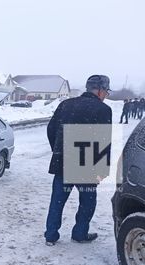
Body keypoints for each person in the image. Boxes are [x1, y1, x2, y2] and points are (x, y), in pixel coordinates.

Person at [44, 75, 112, 246]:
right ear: (100, 90)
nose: (106, 95)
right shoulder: (103, 110)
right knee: (87, 202)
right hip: (87, 166)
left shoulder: (66, 105)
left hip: (64, 163)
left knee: (57, 200)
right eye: (106, 92)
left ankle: (51, 235)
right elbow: (104, 141)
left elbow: (51, 128)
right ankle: (80, 233)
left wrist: (58, 150)